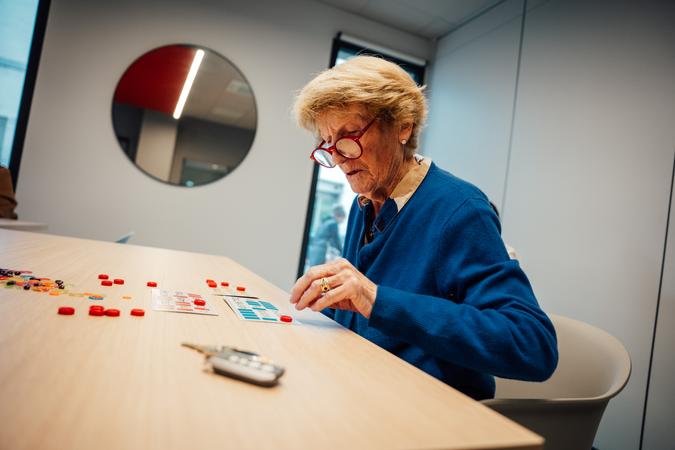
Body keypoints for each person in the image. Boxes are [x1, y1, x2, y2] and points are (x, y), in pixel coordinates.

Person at [289, 56, 557, 400]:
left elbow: (532, 344)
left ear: (402, 125)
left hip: (432, 410)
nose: (338, 157)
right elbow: (369, 317)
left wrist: (375, 299)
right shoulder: (366, 203)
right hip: (367, 390)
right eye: (328, 142)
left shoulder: (460, 210)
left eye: (349, 134)